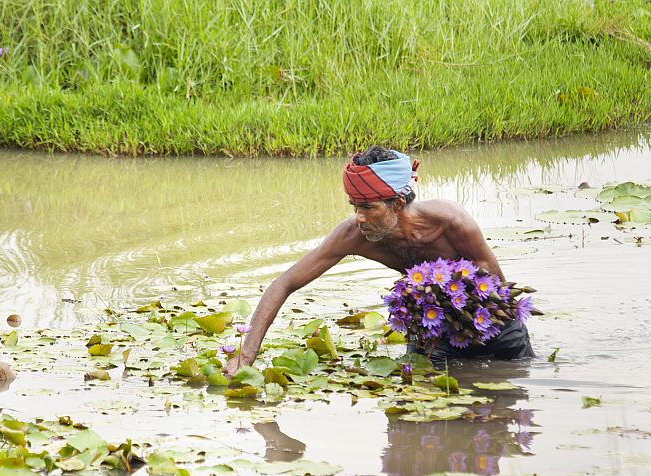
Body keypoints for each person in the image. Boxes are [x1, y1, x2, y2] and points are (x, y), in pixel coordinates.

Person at [224, 145, 533, 374]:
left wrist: (460, 315)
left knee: (512, 386)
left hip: (490, 322)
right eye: (354, 206)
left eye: (368, 208)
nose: (358, 218)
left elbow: (496, 285)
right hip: (433, 331)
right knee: (416, 407)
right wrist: (246, 356)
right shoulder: (352, 235)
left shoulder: (451, 222)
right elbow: (284, 283)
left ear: (397, 203)